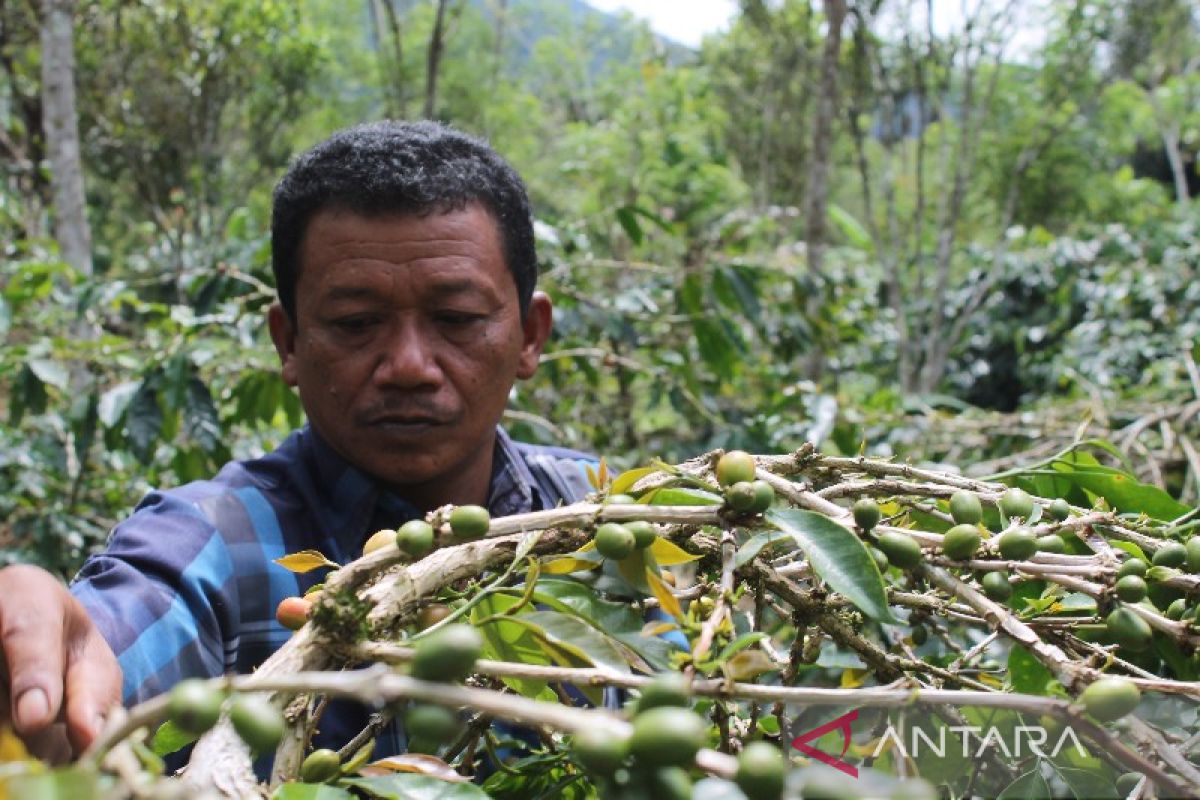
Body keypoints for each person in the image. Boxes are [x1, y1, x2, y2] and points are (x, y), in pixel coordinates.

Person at [0, 120, 598, 761]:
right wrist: (46, 671)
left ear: (530, 335)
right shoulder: (216, 546)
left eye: (455, 319)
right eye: (356, 323)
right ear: (288, 343)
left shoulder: (604, 510)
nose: (409, 365)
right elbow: (118, 632)